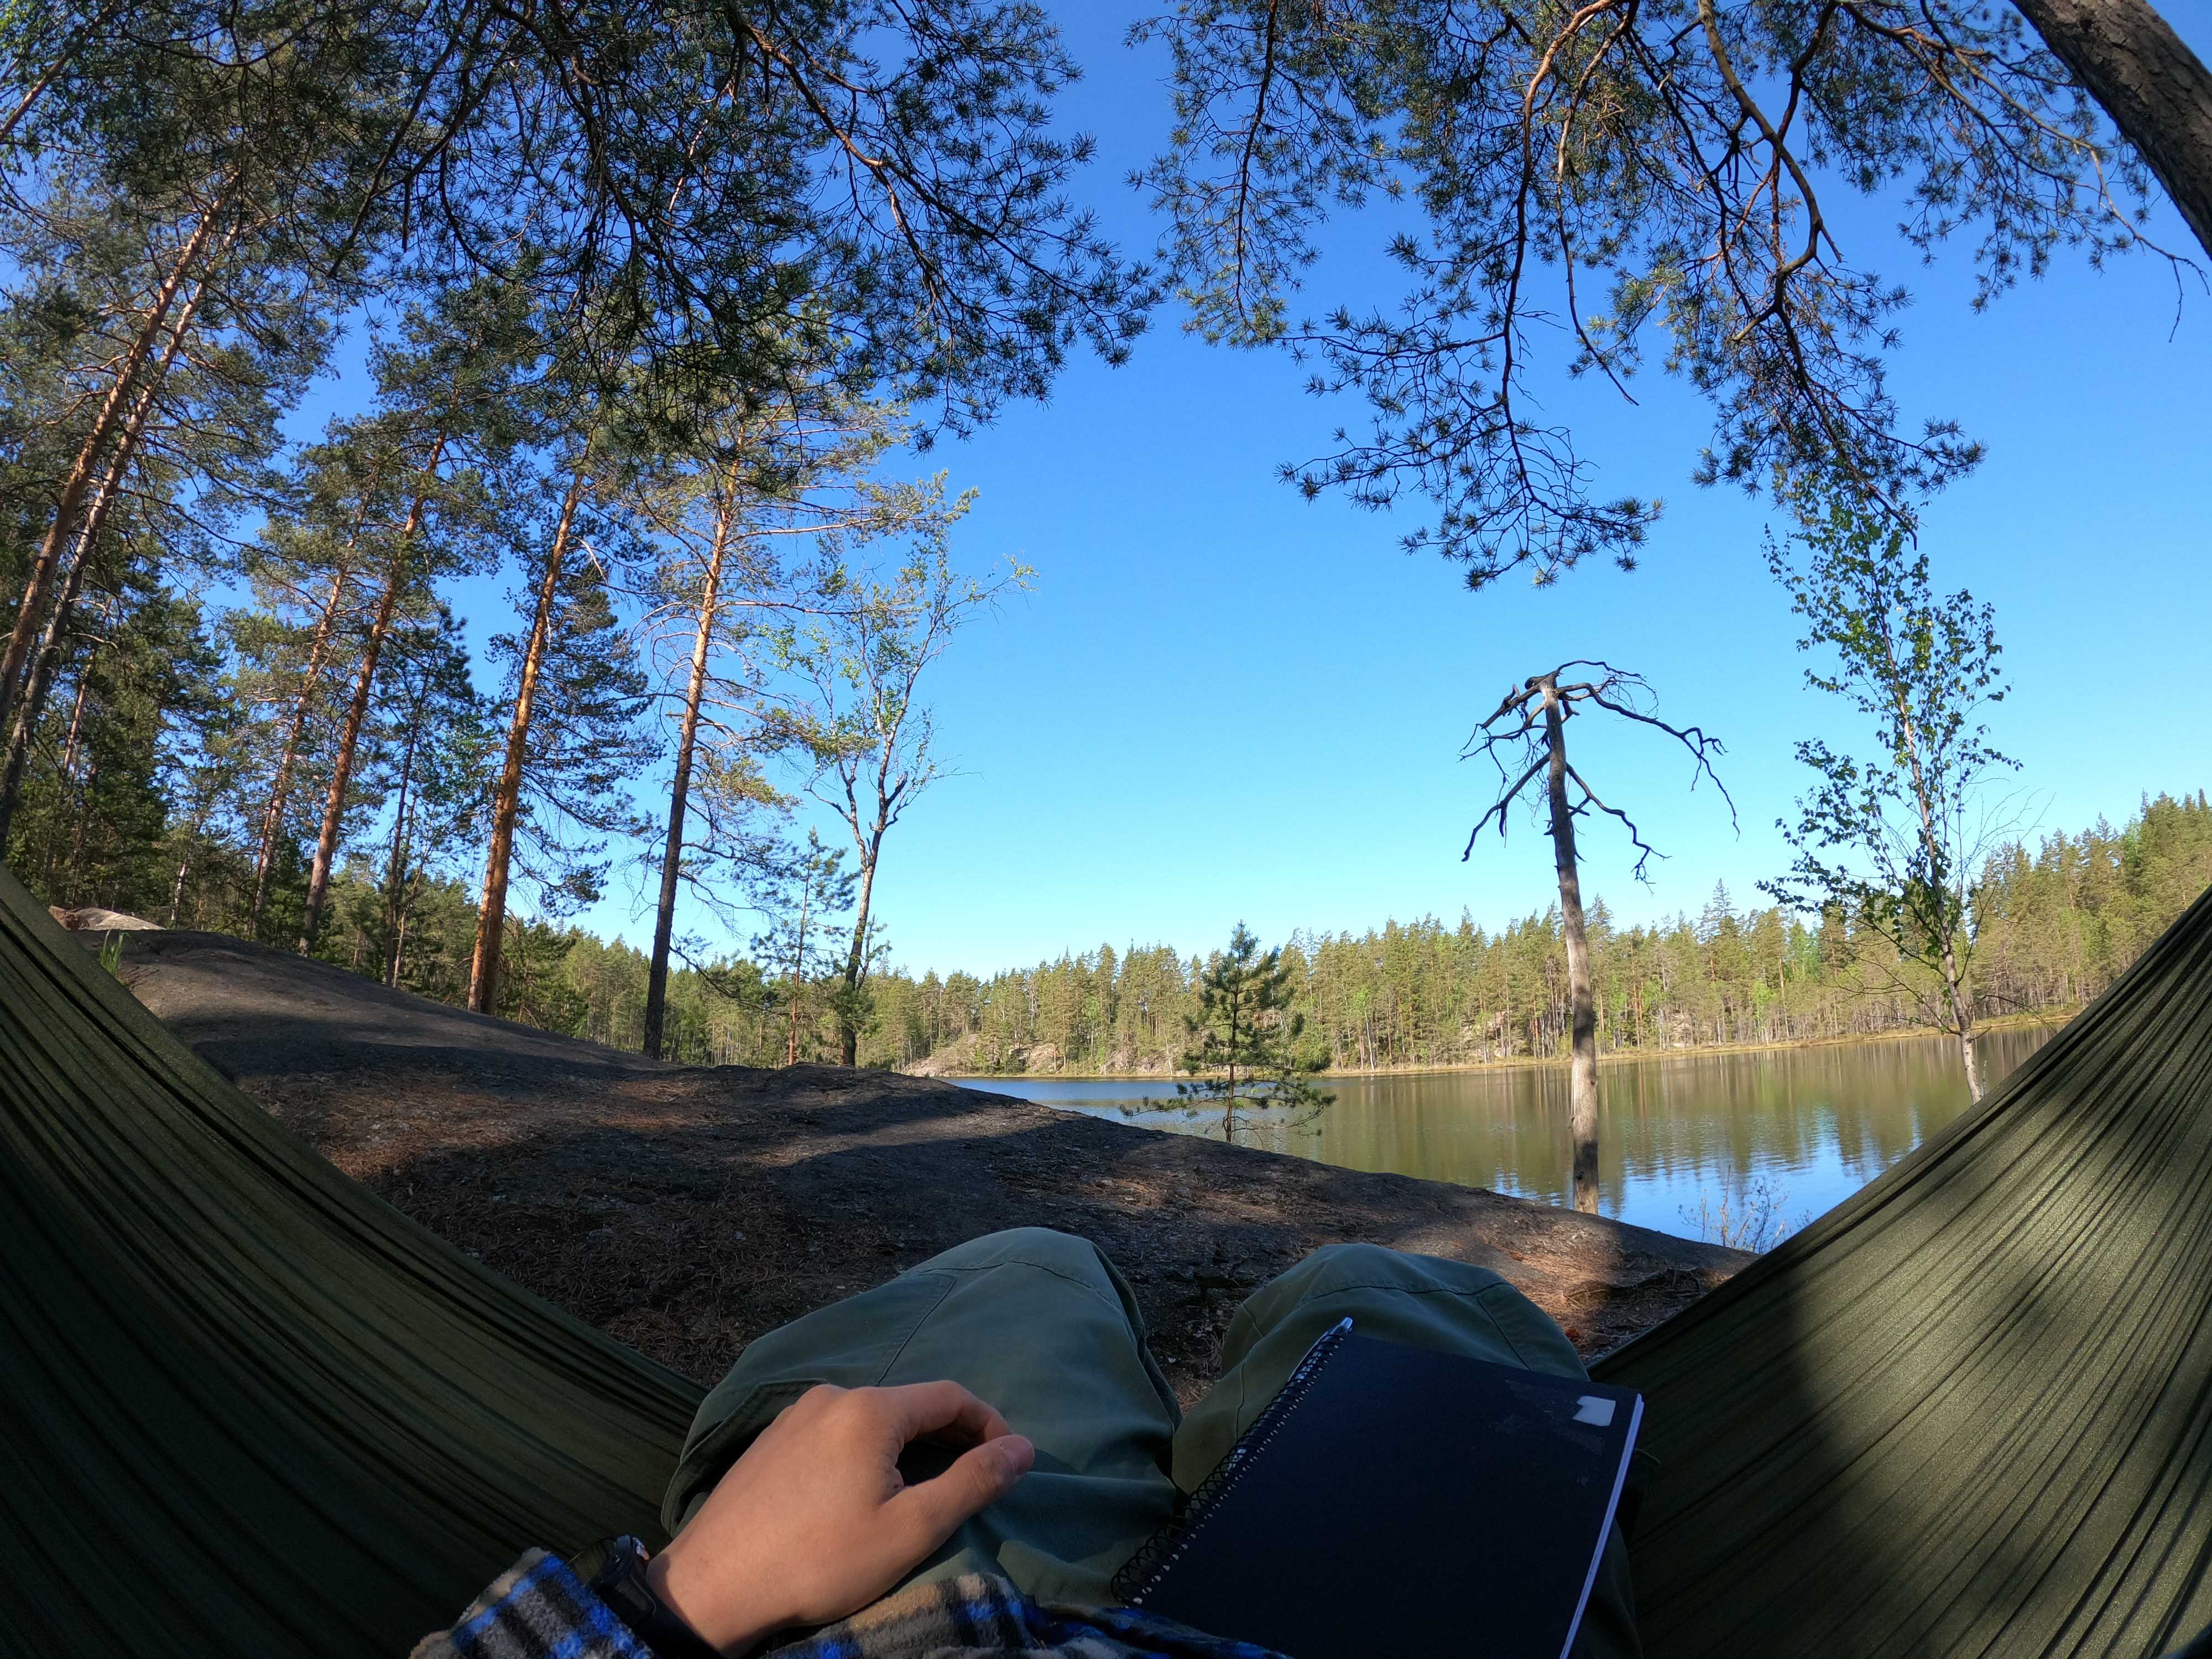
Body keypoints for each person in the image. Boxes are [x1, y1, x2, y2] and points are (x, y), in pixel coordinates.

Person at [414, 1228, 1641, 1659]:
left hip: (941, 1621)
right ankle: (1214, 1435)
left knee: (1036, 1267)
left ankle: (1179, 1422)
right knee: (1370, 1291)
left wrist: (683, 1601)